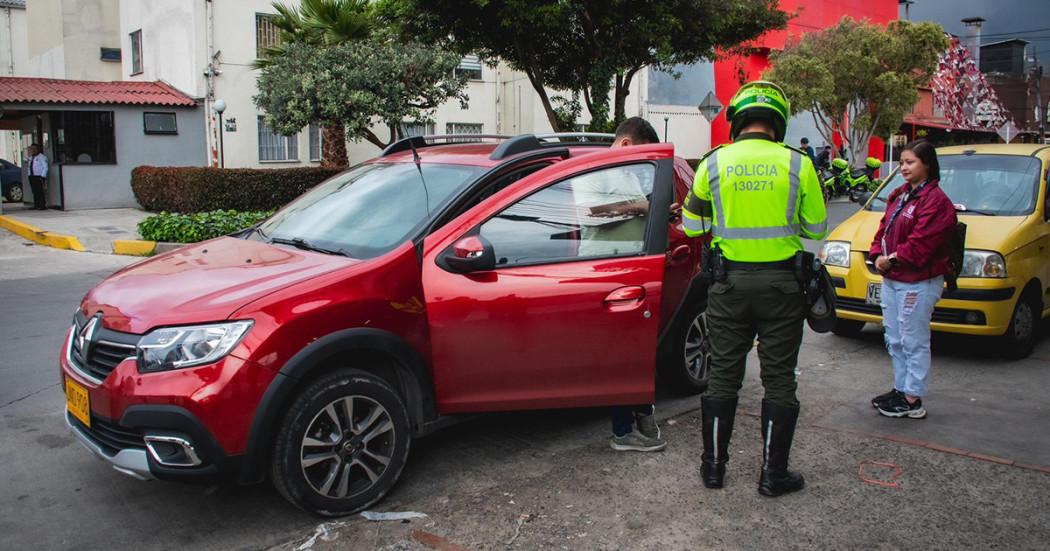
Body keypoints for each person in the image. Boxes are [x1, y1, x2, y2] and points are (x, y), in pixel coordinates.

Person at [682, 80, 827, 496]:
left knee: (723, 375)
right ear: (777, 122)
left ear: (738, 119)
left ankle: (714, 469)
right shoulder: (798, 164)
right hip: (783, 285)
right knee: (779, 380)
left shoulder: (713, 163)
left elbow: (693, 225)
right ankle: (772, 475)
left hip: (728, 285)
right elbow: (817, 228)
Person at [868, 140, 956, 419]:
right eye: (902, 162)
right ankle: (900, 388)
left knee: (913, 339)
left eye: (910, 162)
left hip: (918, 280)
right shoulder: (900, 195)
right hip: (894, 279)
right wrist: (875, 255)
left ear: (927, 165)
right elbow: (883, 229)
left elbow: (922, 244)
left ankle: (913, 397)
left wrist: (889, 260)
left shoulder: (936, 202)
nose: (904, 168)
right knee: (894, 338)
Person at [597, 117, 668, 452]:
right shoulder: (595, 170)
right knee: (619, 358)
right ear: (626, 144)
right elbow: (591, 211)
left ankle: (639, 417)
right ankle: (622, 433)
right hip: (606, 272)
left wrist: (656, 213)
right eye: (640, 154)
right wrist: (643, 207)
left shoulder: (621, 172)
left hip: (628, 271)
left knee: (634, 353)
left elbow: (631, 214)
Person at [26, 144, 49, 210]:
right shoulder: (31, 158)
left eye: (34, 149)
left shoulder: (42, 157)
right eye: (32, 149)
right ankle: (36, 204)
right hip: (32, 176)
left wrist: (43, 176)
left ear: (38, 149)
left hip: (39, 176)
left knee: (41, 191)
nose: (33, 150)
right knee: (34, 191)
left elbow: (45, 167)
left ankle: (42, 205)